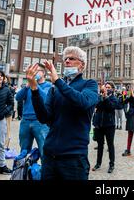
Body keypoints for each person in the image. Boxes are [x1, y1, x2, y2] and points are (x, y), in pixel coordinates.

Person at [30, 46, 99, 180]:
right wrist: (34, 89)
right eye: (65, 59)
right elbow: (44, 118)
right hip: (50, 156)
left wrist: (58, 81)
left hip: (74, 157)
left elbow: (83, 102)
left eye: (72, 58)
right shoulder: (55, 89)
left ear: (82, 65)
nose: (67, 61)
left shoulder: (89, 84)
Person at [15, 63, 51, 158]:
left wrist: (34, 84)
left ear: (43, 73)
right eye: (33, 70)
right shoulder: (28, 86)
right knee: (24, 151)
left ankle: (45, 172)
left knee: (44, 150)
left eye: (37, 70)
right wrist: (27, 86)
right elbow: (18, 97)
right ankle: (24, 171)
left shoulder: (49, 86)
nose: (34, 72)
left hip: (41, 122)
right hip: (25, 121)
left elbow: (45, 98)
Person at [92, 81, 118, 173]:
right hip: (99, 125)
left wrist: (106, 97)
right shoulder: (99, 97)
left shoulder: (114, 98)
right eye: (105, 87)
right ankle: (98, 163)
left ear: (112, 89)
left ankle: (111, 164)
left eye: (109, 87)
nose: (107, 89)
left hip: (109, 125)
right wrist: (102, 97)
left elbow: (111, 107)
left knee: (110, 145)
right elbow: (96, 105)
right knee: (100, 145)